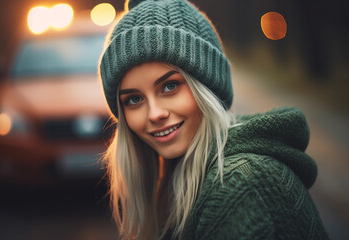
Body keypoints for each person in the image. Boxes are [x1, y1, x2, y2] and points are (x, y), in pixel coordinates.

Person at [98, 0, 329, 239]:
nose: (155, 113)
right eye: (134, 100)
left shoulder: (240, 187)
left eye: (170, 86)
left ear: (207, 86)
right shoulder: (178, 181)